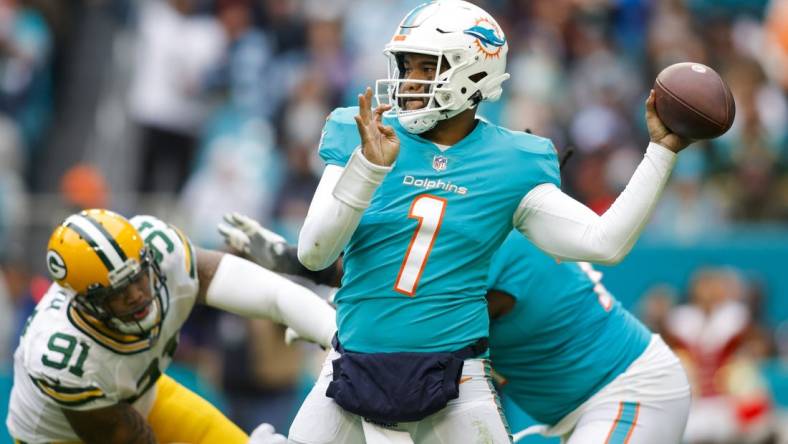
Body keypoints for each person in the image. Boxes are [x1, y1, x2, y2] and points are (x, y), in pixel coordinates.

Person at [292, 1, 691, 442]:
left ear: (473, 74)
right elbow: (314, 252)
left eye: (429, 68)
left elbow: (605, 242)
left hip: (459, 379)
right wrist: (367, 168)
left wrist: (661, 151)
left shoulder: (511, 161)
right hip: (352, 365)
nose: (410, 82)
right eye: (407, 66)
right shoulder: (362, 130)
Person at [219, 216, 692, 443]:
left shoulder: (501, 253)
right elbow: (400, 284)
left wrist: (322, 315)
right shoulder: (482, 235)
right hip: (564, 411)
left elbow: (419, 322)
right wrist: (294, 263)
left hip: (628, 392)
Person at [6, 209, 334, 444]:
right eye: (118, 293)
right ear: (87, 303)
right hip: (60, 434)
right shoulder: (64, 356)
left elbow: (272, 295)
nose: (136, 294)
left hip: (142, 392)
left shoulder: (161, 250)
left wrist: (333, 333)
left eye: (137, 278)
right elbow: (132, 438)